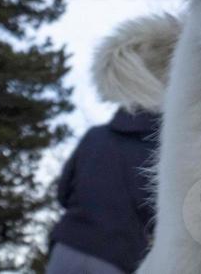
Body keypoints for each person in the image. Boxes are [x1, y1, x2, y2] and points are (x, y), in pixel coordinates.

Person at [45, 106, 159, 274]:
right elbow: (155, 216)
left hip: (68, 247)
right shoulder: (154, 156)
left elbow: (62, 192)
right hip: (117, 258)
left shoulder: (95, 135)